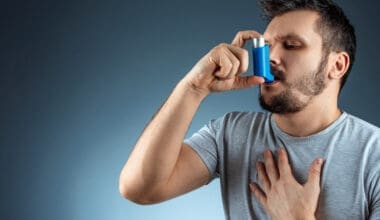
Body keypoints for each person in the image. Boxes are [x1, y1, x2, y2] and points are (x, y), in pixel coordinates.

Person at [119, 0, 380, 219]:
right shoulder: (230, 133)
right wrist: (193, 88)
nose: (270, 57)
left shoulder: (375, 154)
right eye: (266, 46)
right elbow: (139, 189)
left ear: (337, 65)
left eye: (291, 45)